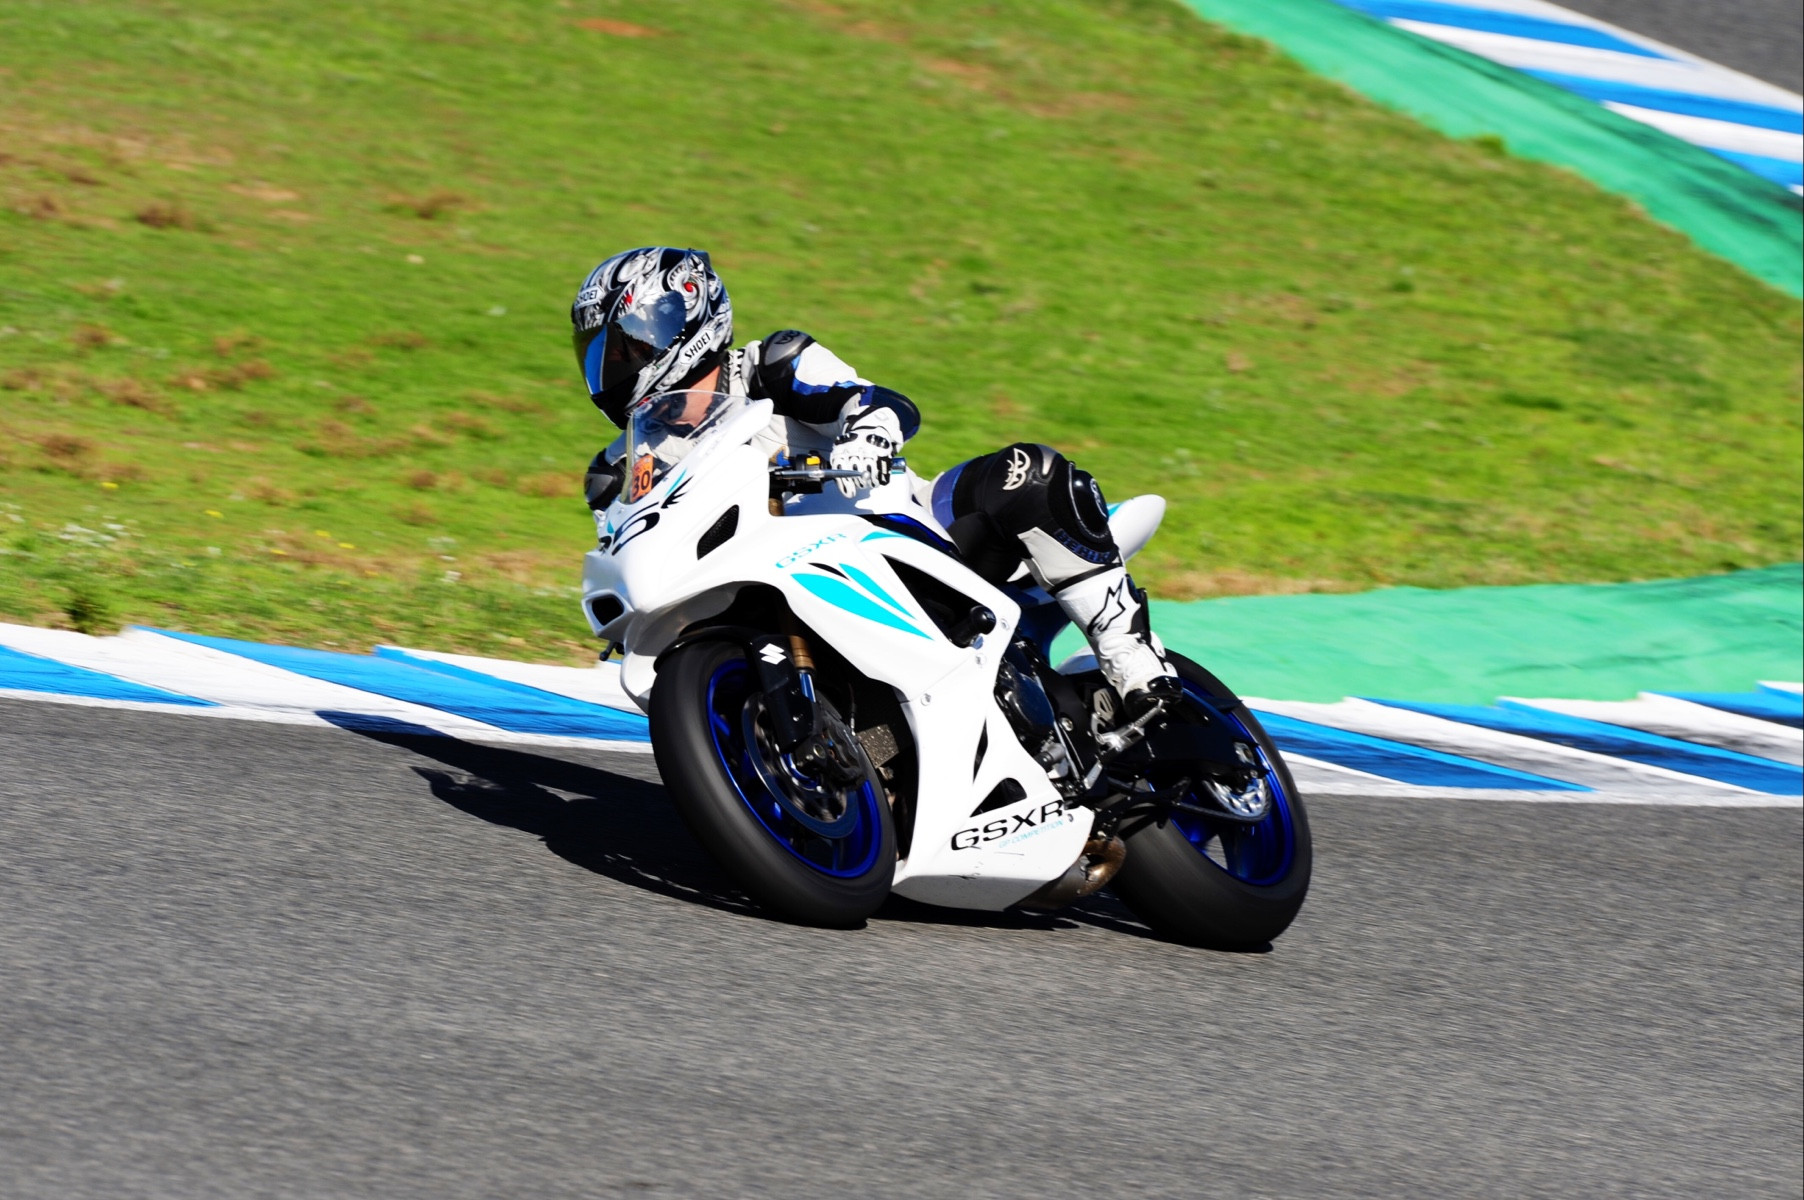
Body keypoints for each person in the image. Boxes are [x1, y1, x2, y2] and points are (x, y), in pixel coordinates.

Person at [571, 246, 1180, 716]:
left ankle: (1130, 660)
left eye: (623, 348)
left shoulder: (772, 365)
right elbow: (623, 542)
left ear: (681, 319)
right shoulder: (621, 464)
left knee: (1025, 474)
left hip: (905, 535)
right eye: (600, 354)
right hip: (767, 587)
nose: (612, 367)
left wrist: (868, 433)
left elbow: (872, 400)